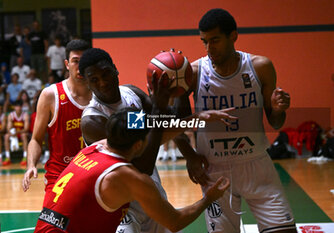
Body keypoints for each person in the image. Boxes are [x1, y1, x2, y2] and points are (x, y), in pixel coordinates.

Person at [78, 48, 236, 233]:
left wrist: (180, 89)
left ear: (115, 69)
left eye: (106, 74)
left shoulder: (132, 93)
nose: (103, 83)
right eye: (94, 79)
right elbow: (141, 165)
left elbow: (170, 121)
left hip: (151, 193)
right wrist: (159, 109)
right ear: (86, 83)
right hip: (121, 206)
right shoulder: (93, 121)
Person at [182, 8, 295, 233]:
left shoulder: (260, 66)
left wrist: (278, 109)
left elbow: (275, 123)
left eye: (215, 40)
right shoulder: (193, 72)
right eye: (204, 41)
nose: (208, 48)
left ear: (233, 36)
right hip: (214, 170)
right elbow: (176, 122)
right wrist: (190, 155)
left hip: (257, 166)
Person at [34, 108, 230, 233]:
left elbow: (155, 133)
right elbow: (175, 222)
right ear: (138, 145)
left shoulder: (92, 149)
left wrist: (196, 119)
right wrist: (208, 198)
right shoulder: (129, 177)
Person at [21, 39, 91, 206]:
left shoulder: (101, 94)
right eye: (75, 61)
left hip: (93, 175)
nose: (80, 66)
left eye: (84, 61)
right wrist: (31, 165)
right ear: (67, 64)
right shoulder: (50, 95)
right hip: (60, 176)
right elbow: (36, 139)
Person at [4, 100, 30, 166]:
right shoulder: (11, 115)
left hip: (22, 133)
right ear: (14, 107)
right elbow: (8, 128)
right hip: (15, 133)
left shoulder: (25, 115)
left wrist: (17, 132)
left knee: (24, 135)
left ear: (21, 107)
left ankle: (25, 157)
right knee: (6, 136)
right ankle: (7, 157)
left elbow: (26, 129)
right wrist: (11, 133)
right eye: (16, 106)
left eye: (19, 106)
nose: (18, 108)